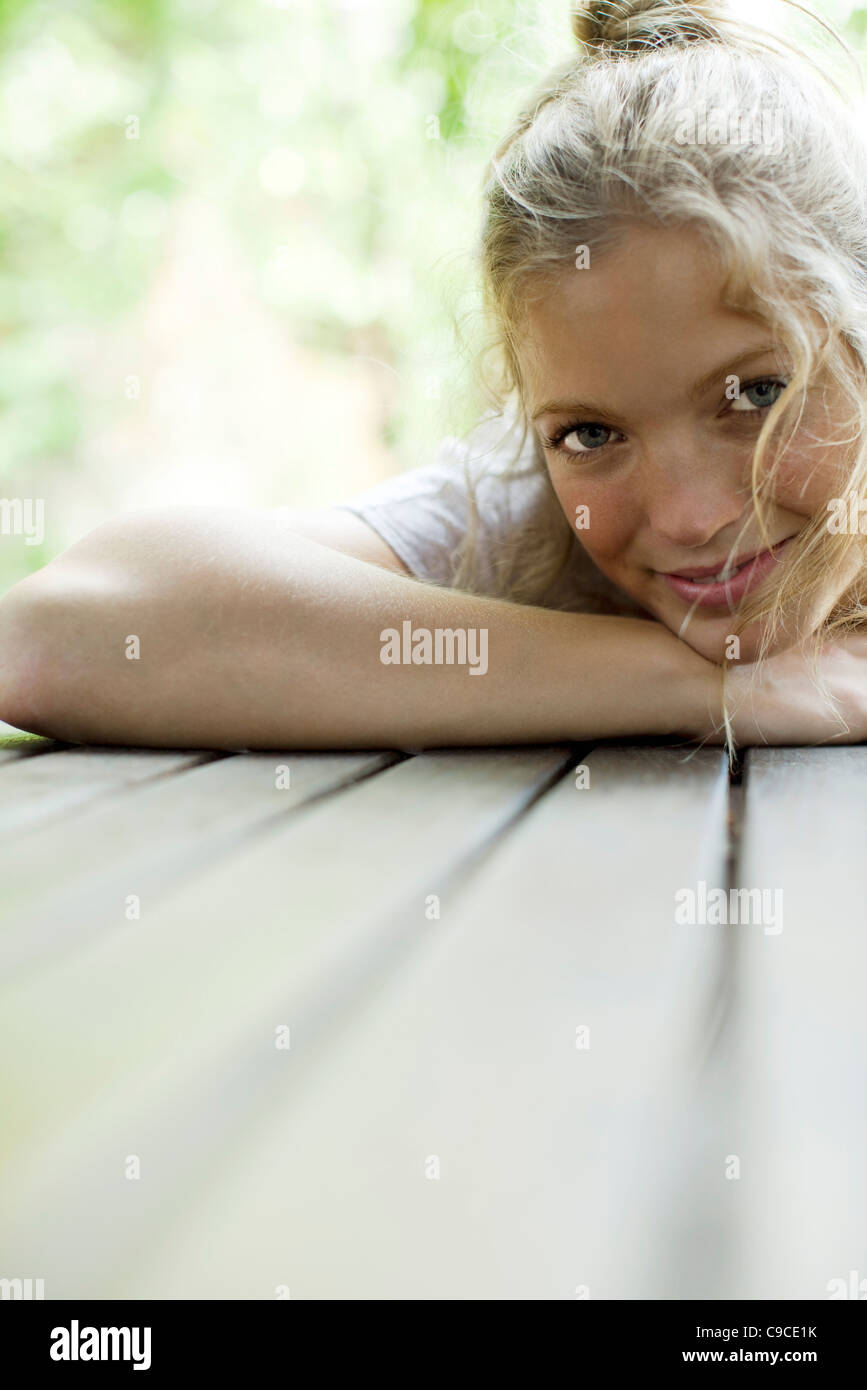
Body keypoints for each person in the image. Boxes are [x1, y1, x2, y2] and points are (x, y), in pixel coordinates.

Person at [1, 0, 866, 751]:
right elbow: (50, 633)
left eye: (757, 395)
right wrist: (701, 689)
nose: (686, 517)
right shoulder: (522, 522)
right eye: (590, 434)